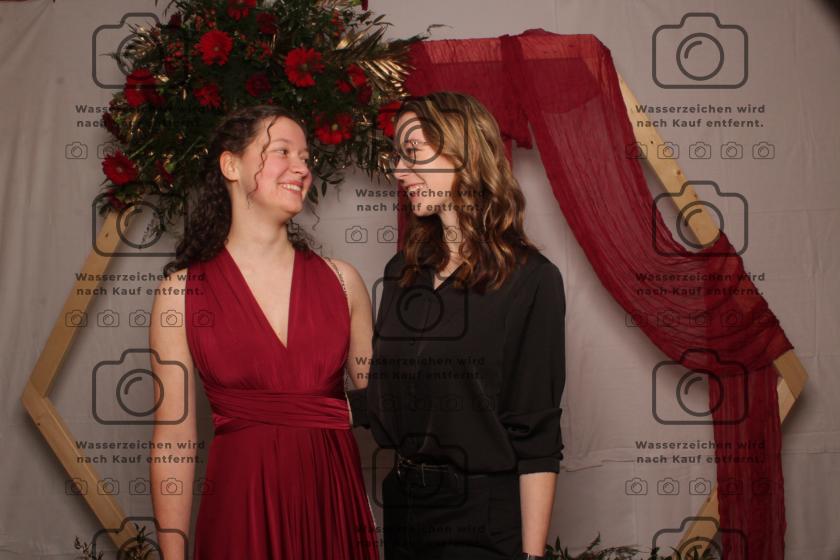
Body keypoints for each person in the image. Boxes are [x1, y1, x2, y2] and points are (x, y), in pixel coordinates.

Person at [149, 105, 379, 559]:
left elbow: (389, 405)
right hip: (240, 515)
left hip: (333, 509)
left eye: (306, 157)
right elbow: (174, 442)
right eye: (282, 152)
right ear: (231, 165)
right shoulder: (181, 294)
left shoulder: (343, 282)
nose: (302, 168)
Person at [347, 92, 566, 560]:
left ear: (461, 154)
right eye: (397, 157)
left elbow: (537, 438)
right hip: (405, 510)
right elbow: (387, 398)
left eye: (412, 154)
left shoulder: (531, 280)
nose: (399, 172)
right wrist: (287, 409)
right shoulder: (401, 273)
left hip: (482, 519)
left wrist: (531, 557)